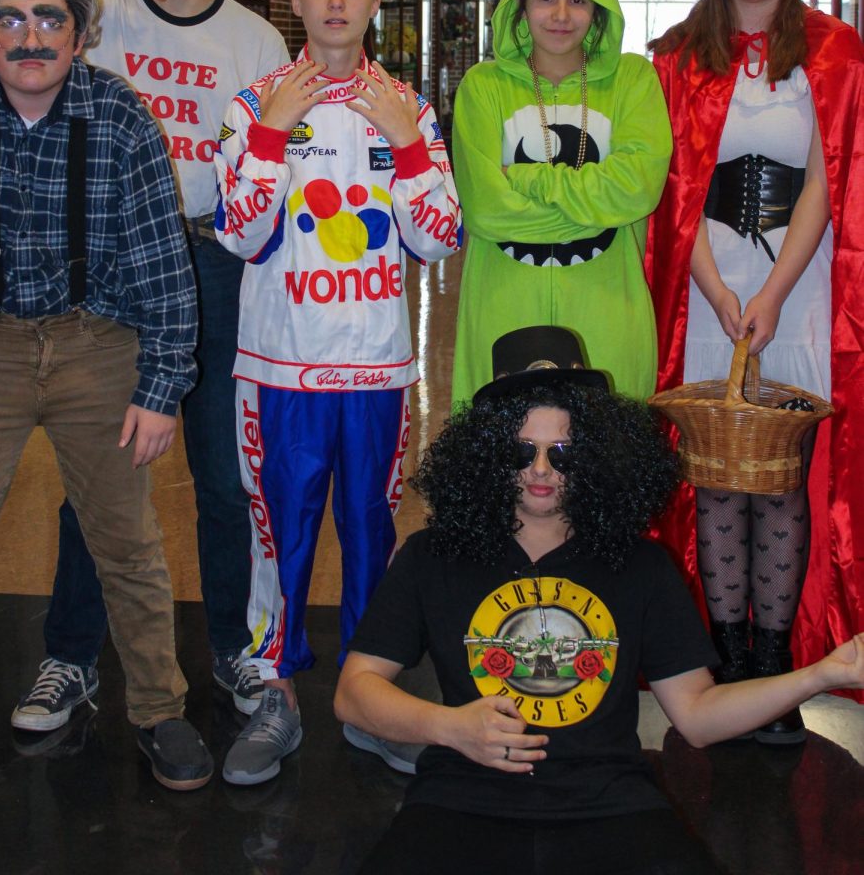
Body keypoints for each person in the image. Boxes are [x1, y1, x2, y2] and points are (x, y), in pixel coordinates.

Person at [0, 0, 290, 729]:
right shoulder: (94, 5)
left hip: (208, 256)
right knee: (97, 477)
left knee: (220, 475)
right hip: (102, 260)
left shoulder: (253, 38)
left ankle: (230, 649)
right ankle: (70, 656)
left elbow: (266, 166)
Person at [334, 326, 864, 874]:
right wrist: (447, 727)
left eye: (562, 452)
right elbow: (353, 694)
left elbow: (699, 717)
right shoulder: (433, 556)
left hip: (612, 806)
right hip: (461, 800)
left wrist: (820, 675)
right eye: (523, 450)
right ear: (489, 453)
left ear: (593, 456)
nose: (541, 470)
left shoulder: (639, 566)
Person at [0, 0, 213, 790]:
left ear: (79, 34)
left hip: (96, 349)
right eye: (10, 20)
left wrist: (160, 390)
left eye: (50, 18)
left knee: (127, 542)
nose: (30, 36)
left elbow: (163, 264)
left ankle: (159, 710)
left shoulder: (119, 114)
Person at [213, 0, 461, 785]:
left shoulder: (407, 107)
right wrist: (275, 134)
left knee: (370, 537)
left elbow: (437, 240)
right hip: (279, 371)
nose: (335, 3)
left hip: (375, 374)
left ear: (374, 1)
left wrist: (411, 146)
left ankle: (369, 700)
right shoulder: (256, 103)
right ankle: (273, 695)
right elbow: (239, 232)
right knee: (276, 539)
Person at [645, 0, 864, 740]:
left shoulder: (834, 51)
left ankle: (773, 666)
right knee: (714, 471)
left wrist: (769, 298)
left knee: (776, 478)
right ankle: (724, 655)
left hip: (795, 291)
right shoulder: (676, 54)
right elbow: (672, 189)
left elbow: (828, 176)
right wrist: (720, 292)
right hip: (707, 286)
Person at [451, 0, 672, 407]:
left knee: (607, 456)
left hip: (609, 307)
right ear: (521, 5)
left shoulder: (633, 80)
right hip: (504, 300)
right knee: (501, 454)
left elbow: (637, 191)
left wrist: (525, 178)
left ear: (597, 11)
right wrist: (597, 204)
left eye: (578, 0)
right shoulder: (482, 86)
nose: (561, 15)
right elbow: (486, 210)